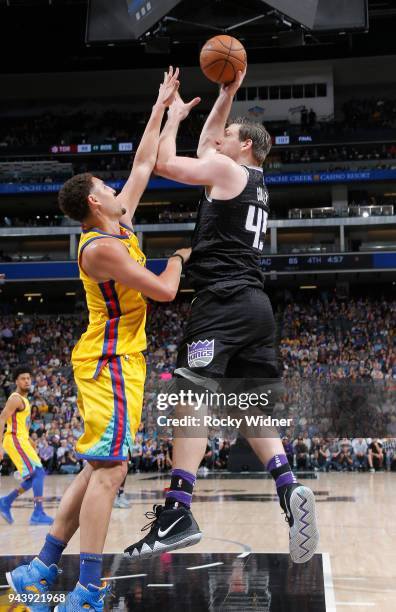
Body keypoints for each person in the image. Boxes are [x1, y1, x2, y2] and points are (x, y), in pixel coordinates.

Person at [6, 67, 189, 612]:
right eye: (106, 189)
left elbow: (141, 163)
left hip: (120, 359)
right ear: (93, 204)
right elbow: (162, 291)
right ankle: (85, 589)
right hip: (108, 360)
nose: (115, 189)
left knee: (94, 469)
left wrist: (163, 109)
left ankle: (38, 569)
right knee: (111, 472)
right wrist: (181, 256)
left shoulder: (118, 225)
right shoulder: (99, 248)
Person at [125, 71, 318, 564]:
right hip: (255, 307)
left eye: (230, 133)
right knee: (244, 407)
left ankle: (178, 510)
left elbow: (166, 162)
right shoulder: (250, 179)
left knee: (189, 393)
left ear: (247, 146)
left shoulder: (229, 173)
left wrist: (171, 116)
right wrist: (226, 94)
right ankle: (286, 484)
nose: (219, 136)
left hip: (223, 302)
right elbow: (211, 138)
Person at [0, 365, 54, 525]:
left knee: (34, 477)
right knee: (39, 473)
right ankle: (38, 513)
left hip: (22, 440)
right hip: (14, 440)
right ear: (16, 381)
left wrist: (30, 440)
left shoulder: (25, 400)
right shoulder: (15, 398)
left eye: (28, 378)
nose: (27, 381)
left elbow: (22, 425)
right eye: (23, 378)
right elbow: (2, 418)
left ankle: (6, 502)